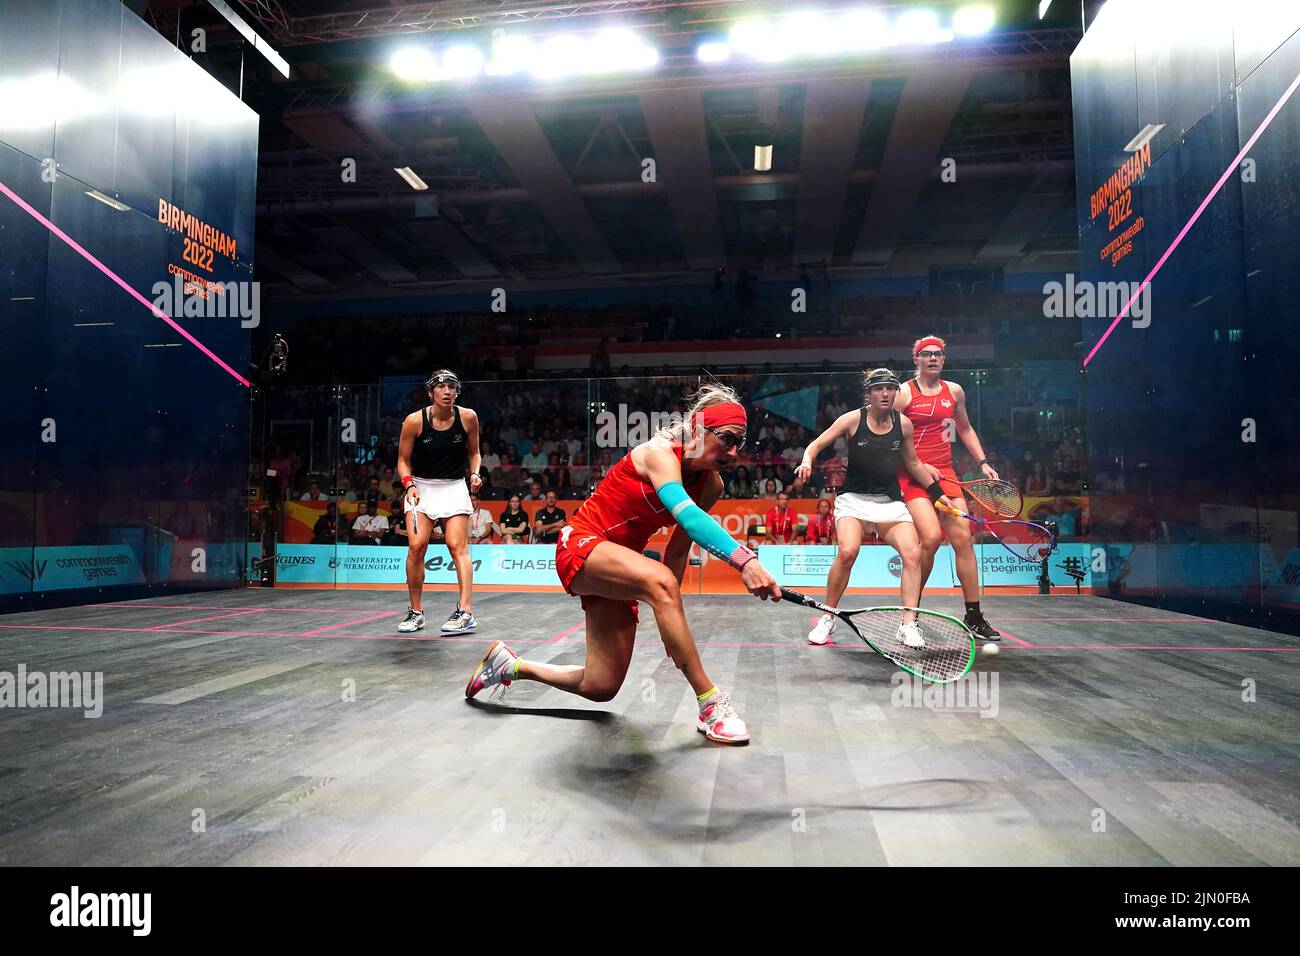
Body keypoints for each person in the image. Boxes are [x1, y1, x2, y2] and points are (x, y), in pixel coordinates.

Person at [465, 384, 781, 745]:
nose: (734, 451)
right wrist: (743, 560)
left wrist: (669, 607)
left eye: (740, 442)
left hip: (619, 562)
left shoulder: (712, 485)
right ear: (698, 428)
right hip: (580, 544)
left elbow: (677, 552)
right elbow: (689, 519)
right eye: (727, 438)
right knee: (659, 582)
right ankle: (710, 703)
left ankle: (512, 666)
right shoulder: (659, 454)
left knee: (600, 685)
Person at [796, 368, 953, 647]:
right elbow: (816, 444)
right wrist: (807, 461)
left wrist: (938, 494)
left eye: (890, 388)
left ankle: (907, 625)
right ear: (869, 393)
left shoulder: (903, 424)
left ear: (895, 393)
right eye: (879, 388)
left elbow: (914, 464)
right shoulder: (853, 419)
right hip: (853, 500)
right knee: (847, 552)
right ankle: (828, 617)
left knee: (913, 553)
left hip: (889, 502)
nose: (885, 393)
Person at [894, 336, 1002, 640]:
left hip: (946, 475)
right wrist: (916, 463)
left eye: (937, 354)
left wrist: (982, 462)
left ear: (944, 358)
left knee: (963, 539)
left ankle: (974, 616)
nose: (932, 358)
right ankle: (910, 617)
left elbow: (965, 428)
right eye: (926, 354)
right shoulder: (903, 393)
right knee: (929, 538)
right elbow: (889, 434)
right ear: (915, 360)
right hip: (912, 476)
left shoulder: (954, 391)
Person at [395, 370, 482, 635]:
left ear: (457, 392)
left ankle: (465, 612)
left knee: (457, 546)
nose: (447, 392)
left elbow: (475, 452)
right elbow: (402, 461)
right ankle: (416, 612)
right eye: (441, 387)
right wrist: (409, 485)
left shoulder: (468, 417)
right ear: (431, 392)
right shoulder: (414, 421)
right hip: (421, 488)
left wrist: (476, 472)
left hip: (454, 487)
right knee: (416, 546)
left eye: (452, 387)